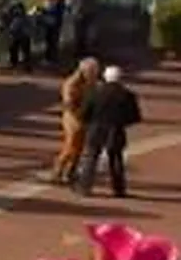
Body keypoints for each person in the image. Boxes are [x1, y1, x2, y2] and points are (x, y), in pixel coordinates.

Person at [76, 65, 142, 198]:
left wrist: (90, 122)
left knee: (91, 158)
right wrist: (121, 122)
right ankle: (119, 190)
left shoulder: (94, 93)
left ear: (105, 77)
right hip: (116, 129)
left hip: (96, 128)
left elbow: (83, 113)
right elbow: (134, 117)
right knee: (116, 159)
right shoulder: (127, 95)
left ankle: (84, 187)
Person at [52, 57, 101, 186]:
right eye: (92, 72)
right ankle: (57, 170)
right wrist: (78, 113)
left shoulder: (92, 83)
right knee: (70, 146)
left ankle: (71, 172)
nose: (95, 74)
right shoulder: (71, 84)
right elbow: (68, 104)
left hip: (84, 117)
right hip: (72, 117)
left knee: (80, 148)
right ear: (83, 71)